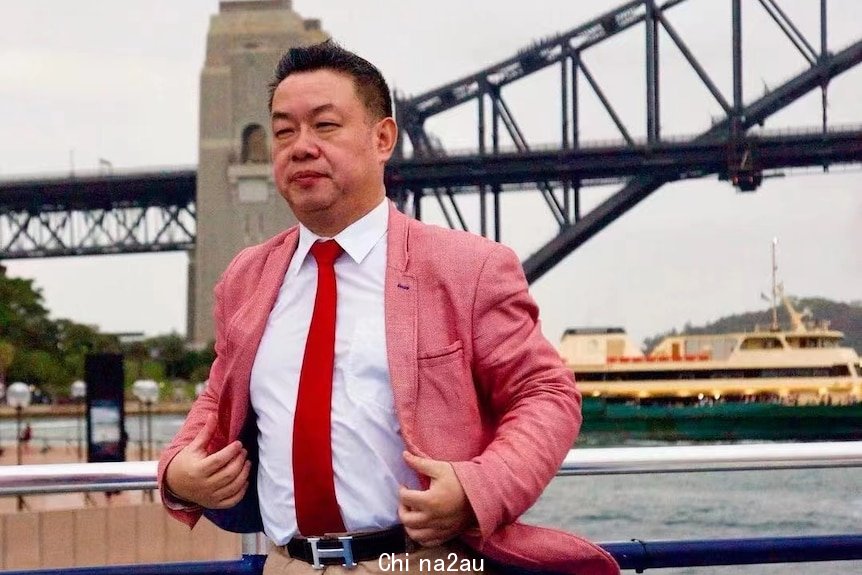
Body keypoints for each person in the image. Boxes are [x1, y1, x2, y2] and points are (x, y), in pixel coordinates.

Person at [158, 41, 618, 575]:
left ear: (382, 139)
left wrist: (478, 489)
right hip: (288, 565)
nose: (299, 147)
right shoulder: (246, 277)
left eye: (325, 126)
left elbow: (546, 393)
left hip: (422, 564)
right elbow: (218, 398)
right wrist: (176, 471)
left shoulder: (467, 267)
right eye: (283, 131)